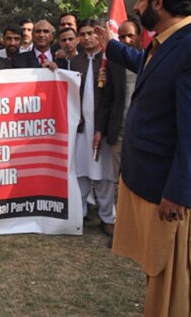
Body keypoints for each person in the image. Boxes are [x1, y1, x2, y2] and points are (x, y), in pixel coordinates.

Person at [97, 0, 191, 316]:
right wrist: (108, 45)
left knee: (175, 290)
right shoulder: (169, 42)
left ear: (158, 2)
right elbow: (149, 67)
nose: (135, 7)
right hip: (154, 182)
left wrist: (178, 192)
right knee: (158, 279)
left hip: (175, 197)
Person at [70, 19, 115, 237]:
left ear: (99, 35)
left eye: (91, 33)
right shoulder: (74, 61)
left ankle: (108, 217)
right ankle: (79, 214)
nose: (87, 38)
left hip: (102, 128)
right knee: (80, 172)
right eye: (83, 34)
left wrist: (103, 127)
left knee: (103, 176)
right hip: (80, 128)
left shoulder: (110, 60)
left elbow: (113, 97)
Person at [95, 19, 142, 182]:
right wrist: (100, 130)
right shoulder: (113, 64)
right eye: (121, 37)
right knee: (120, 184)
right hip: (120, 134)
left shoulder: (151, 61)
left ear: (139, 36)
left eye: (130, 36)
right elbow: (108, 99)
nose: (126, 41)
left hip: (143, 135)